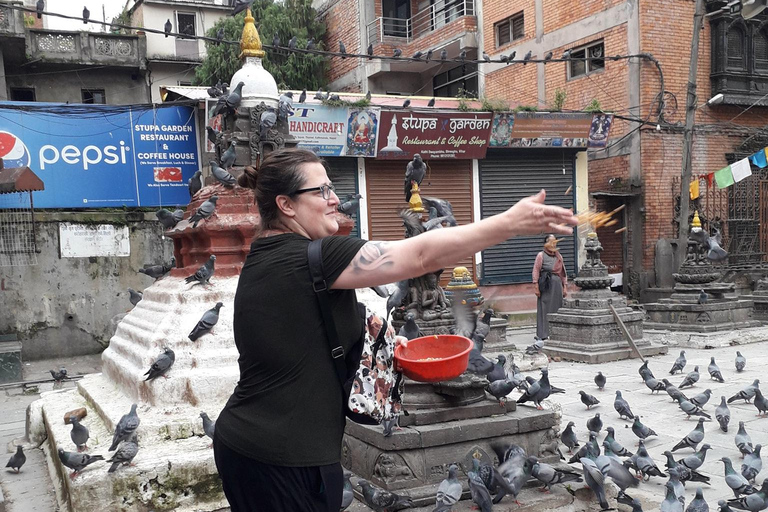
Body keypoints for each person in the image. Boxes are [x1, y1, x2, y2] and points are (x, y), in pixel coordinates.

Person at [212, 148, 578, 512]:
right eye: (321, 191)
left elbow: (301, 336)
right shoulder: (314, 257)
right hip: (279, 460)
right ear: (286, 205)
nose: (335, 199)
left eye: (331, 188)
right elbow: (419, 256)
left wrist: (385, 343)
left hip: (259, 447)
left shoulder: (268, 257)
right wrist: (510, 223)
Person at [532, 234, 568, 341]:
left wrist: (565, 287)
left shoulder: (559, 256)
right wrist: (536, 286)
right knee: (544, 308)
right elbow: (536, 270)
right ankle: (543, 334)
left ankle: (556, 332)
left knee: (557, 308)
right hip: (545, 284)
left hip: (557, 286)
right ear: (545, 244)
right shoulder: (541, 255)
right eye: (551, 242)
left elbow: (563, 273)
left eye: (555, 242)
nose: (553, 244)